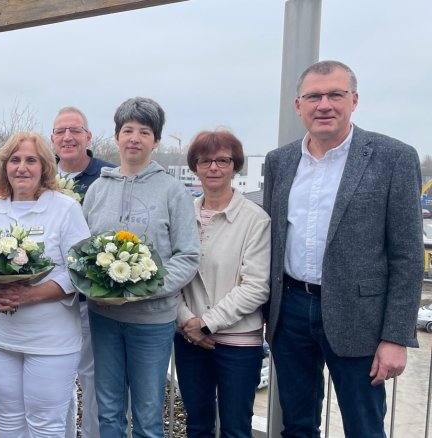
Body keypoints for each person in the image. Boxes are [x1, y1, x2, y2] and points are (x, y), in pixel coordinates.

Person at [263, 60, 423, 438]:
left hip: (361, 319)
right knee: (297, 425)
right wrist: (268, 315)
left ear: (354, 100)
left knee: (364, 428)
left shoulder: (394, 158)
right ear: (298, 106)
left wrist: (396, 337)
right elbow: (272, 243)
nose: (325, 104)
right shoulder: (280, 161)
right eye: (314, 96)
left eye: (335, 94)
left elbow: (408, 256)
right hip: (291, 311)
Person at [81, 97, 200, 438]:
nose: (134, 138)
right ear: (117, 136)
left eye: (144, 132)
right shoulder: (98, 190)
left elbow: (187, 256)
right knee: (108, 410)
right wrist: (97, 284)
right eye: (128, 130)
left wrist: (144, 287)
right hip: (103, 318)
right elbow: (82, 253)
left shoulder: (173, 191)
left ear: (156, 140)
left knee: (148, 416)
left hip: (152, 321)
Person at [0, 132, 91, 437]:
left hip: (50, 342)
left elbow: (79, 271)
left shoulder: (65, 209)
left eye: (30, 160)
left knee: (45, 426)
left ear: (44, 167)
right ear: (4, 166)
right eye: (15, 160)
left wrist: (31, 295)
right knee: (9, 421)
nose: (22, 167)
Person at [174, 130, 270, 438]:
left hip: (238, 342)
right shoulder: (181, 216)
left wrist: (206, 324)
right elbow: (168, 275)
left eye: (223, 160)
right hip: (189, 338)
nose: (213, 167)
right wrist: (187, 320)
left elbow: (255, 286)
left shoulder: (255, 220)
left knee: (236, 429)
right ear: (195, 167)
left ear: (235, 166)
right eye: (205, 161)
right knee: (197, 425)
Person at [50, 106, 114, 438]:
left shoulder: (109, 176)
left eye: (75, 130)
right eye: (61, 131)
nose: (68, 137)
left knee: (93, 379)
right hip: (51, 300)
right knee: (57, 381)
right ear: (52, 139)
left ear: (89, 137)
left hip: (93, 300)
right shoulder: (42, 176)